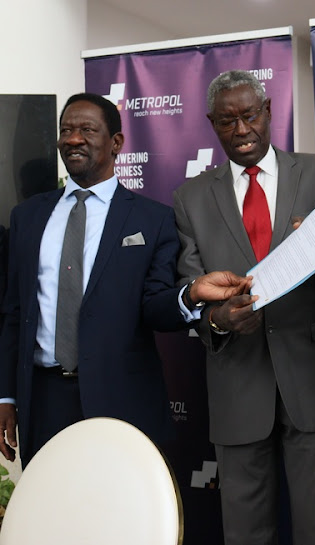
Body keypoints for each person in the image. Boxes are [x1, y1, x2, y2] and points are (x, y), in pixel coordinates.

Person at [0, 93, 251, 466]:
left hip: (123, 400)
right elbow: (13, 313)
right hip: (44, 398)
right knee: (54, 516)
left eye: (87, 129)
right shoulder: (28, 217)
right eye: (66, 130)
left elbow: (155, 308)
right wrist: (6, 397)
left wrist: (192, 293)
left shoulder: (152, 219)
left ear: (116, 142)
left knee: (119, 517)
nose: (73, 139)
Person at [173, 69, 315, 545]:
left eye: (250, 116)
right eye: (227, 121)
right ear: (211, 124)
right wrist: (220, 319)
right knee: (245, 532)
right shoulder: (190, 198)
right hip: (237, 381)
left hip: (312, 380)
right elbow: (190, 291)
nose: (241, 130)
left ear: (270, 112)